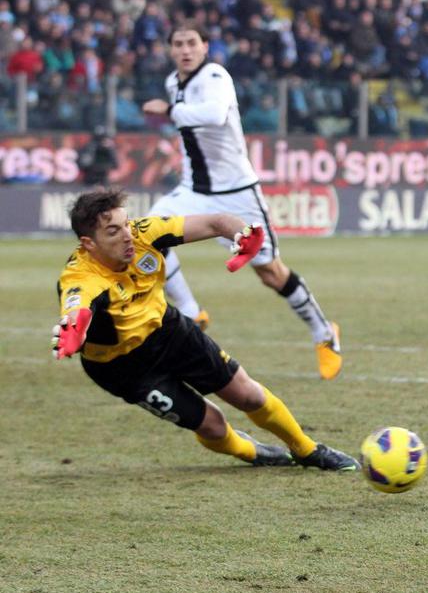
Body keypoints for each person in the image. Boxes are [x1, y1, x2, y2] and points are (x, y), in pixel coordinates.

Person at [52, 189, 359, 471]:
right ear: (88, 243)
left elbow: (216, 222)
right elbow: (77, 311)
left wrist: (243, 234)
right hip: (123, 368)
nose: (127, 236)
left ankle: (307, 450)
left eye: (126, 223)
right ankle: (253, 452)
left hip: (168, 332)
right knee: (213, 426)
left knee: (249, 396)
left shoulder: (144, 232)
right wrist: (73, 333)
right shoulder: (79, 277)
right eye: (113, 231)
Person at [141, 21, 342, 380]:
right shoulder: (174, 82)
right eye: (178, 44)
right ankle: (192, 311)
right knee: (147, 236)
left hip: (237, 194)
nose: (185, 50)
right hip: (193, 190)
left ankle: (324, 333)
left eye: (192, 43)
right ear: (170, 50)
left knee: (270, 273)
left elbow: (216, 115)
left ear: (205, 46)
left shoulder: (215, 76)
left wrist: (170, 112)